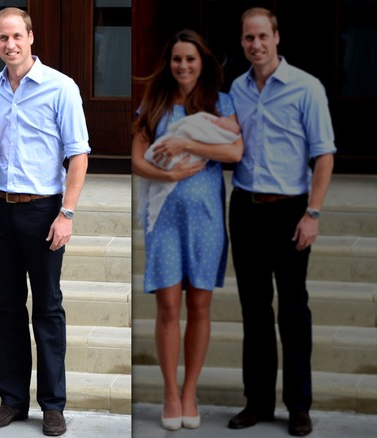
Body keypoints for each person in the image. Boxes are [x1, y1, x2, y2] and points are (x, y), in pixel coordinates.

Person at [0, 8, 90, 437]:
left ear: (30, 37)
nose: (10, 44)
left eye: (17, 36)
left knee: (46, 308)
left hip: (43, 211)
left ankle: (52, 405)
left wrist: (67, 212)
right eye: (3, 38)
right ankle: (11, 400)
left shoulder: (61, 88)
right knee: (7, 308)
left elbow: (78, 154)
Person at [227, 8, 335, 437]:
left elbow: (323, 154)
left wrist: (313, 213)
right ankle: (257, 402)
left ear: (276, 37)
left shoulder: (307, 88)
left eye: (262, 36)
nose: (256, 45)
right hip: (246, 208)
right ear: (242, 42)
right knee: (253, 311)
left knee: (293, 310)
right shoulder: (236, 88)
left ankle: (299, 406)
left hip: (291, 211)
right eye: (248, 38)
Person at [132, 29, 243, 431]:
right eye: (177, 59)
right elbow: (138, 159)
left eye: (190, 59)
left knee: (199, 305)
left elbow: (234, 150)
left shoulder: (221, 102)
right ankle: (170, 393)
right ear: (169, 63)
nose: (183, 66)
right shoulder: (156, 102)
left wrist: (184, 144)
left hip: (206, 218)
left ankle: (190, 390)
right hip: (164, 220)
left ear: (203, 63)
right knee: (168, 307)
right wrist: (171, 170)